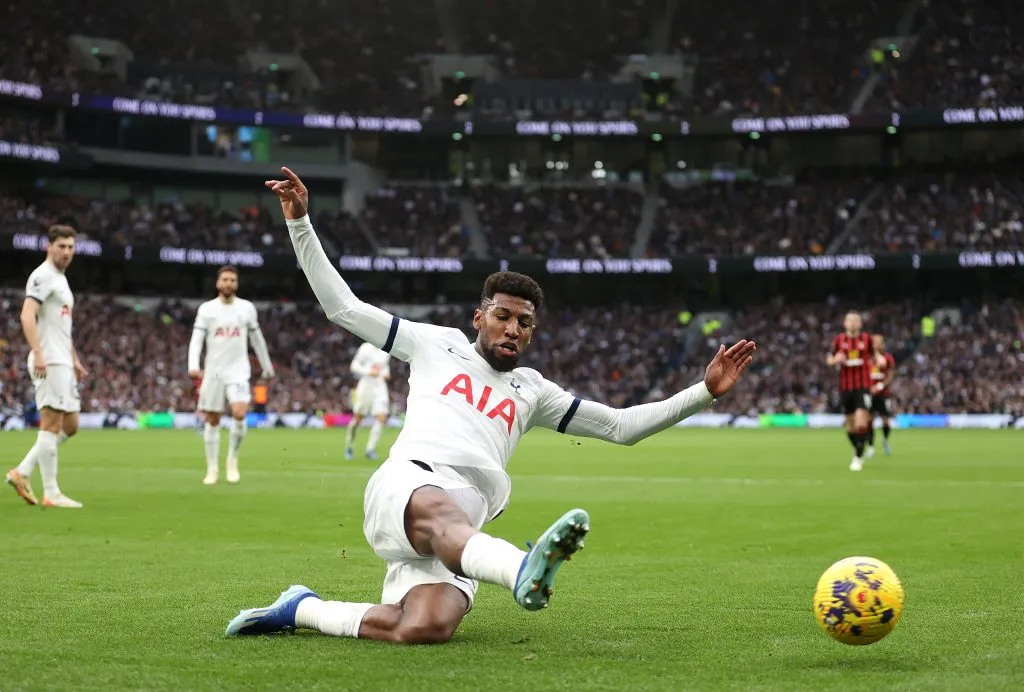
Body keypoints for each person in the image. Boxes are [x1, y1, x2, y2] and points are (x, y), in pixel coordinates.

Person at [224, 168, 756, 645]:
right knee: (443, 517)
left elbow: (621, 427)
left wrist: (703, 391)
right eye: (503, 315)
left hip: (466, 524)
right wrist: (300, 224)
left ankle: (304, 608)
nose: (513, 328)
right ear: (480, 317)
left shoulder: (533, 390)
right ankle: (520, 566)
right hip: (411, 485)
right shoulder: (435, 343)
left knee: (423, 628)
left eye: (524, 323)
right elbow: (343, 307)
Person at [5, 225, 87, 508]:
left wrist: (74, 357)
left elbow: (61, 326)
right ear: (48, 247)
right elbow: (27, 315)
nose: (66, 252)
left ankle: (22, 471)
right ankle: (51, 493)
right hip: (49, 359)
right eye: (61, 246)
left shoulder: (61, 280)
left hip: (63, 359)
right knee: (51, 424)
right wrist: (38, 352)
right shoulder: (42, 276)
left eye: (70, 247)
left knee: (72, 424)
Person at [187, 266, 275, 485]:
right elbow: (197, 339)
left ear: (236, 284)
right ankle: (212, 468)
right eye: (225, 279)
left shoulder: (246, 308)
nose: (228, 283)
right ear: (218, 283)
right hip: (214, 371)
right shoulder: (207, 309)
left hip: (238, 370)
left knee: (239, 412)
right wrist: (193, 364)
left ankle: (232, 460)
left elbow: (257, 340)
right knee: (212, 419)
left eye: (232, 280)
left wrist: (267, 366)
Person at [827, 311, 875, 471]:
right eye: (850, 320)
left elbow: (876, 357)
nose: (853, 323)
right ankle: (858, 447)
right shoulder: (838, 340)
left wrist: (879, 361)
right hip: (846, 388)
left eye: (856, 320)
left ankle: (858, 457)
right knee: (850, 426)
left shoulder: (867, 340)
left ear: (860, 324)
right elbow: (829, 360)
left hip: (863, 386)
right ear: (845, 323)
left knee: (861, 422)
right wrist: (835, 360)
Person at [345, 341, 392, 461]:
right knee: (358, 418)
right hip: (366, 384)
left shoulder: (386, 349)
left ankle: (370, 449)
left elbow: (385, 367)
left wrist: (386, 373)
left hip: (380, 385)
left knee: (382, 416)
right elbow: (354, 365)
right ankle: (349, 446)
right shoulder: (366, 347)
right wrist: (369, 372)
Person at [868, 334, 896, 456]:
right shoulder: (867, 358)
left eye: (878, 342)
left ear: (882, 343)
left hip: (883, 393)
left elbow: (891, 375)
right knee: (869, 421)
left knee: (885, 421)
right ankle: (871, 446)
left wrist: (880, 386)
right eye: (874, 342)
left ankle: (885, 440)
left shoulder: (888, 358)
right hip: (868, 393)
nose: (876, 344)